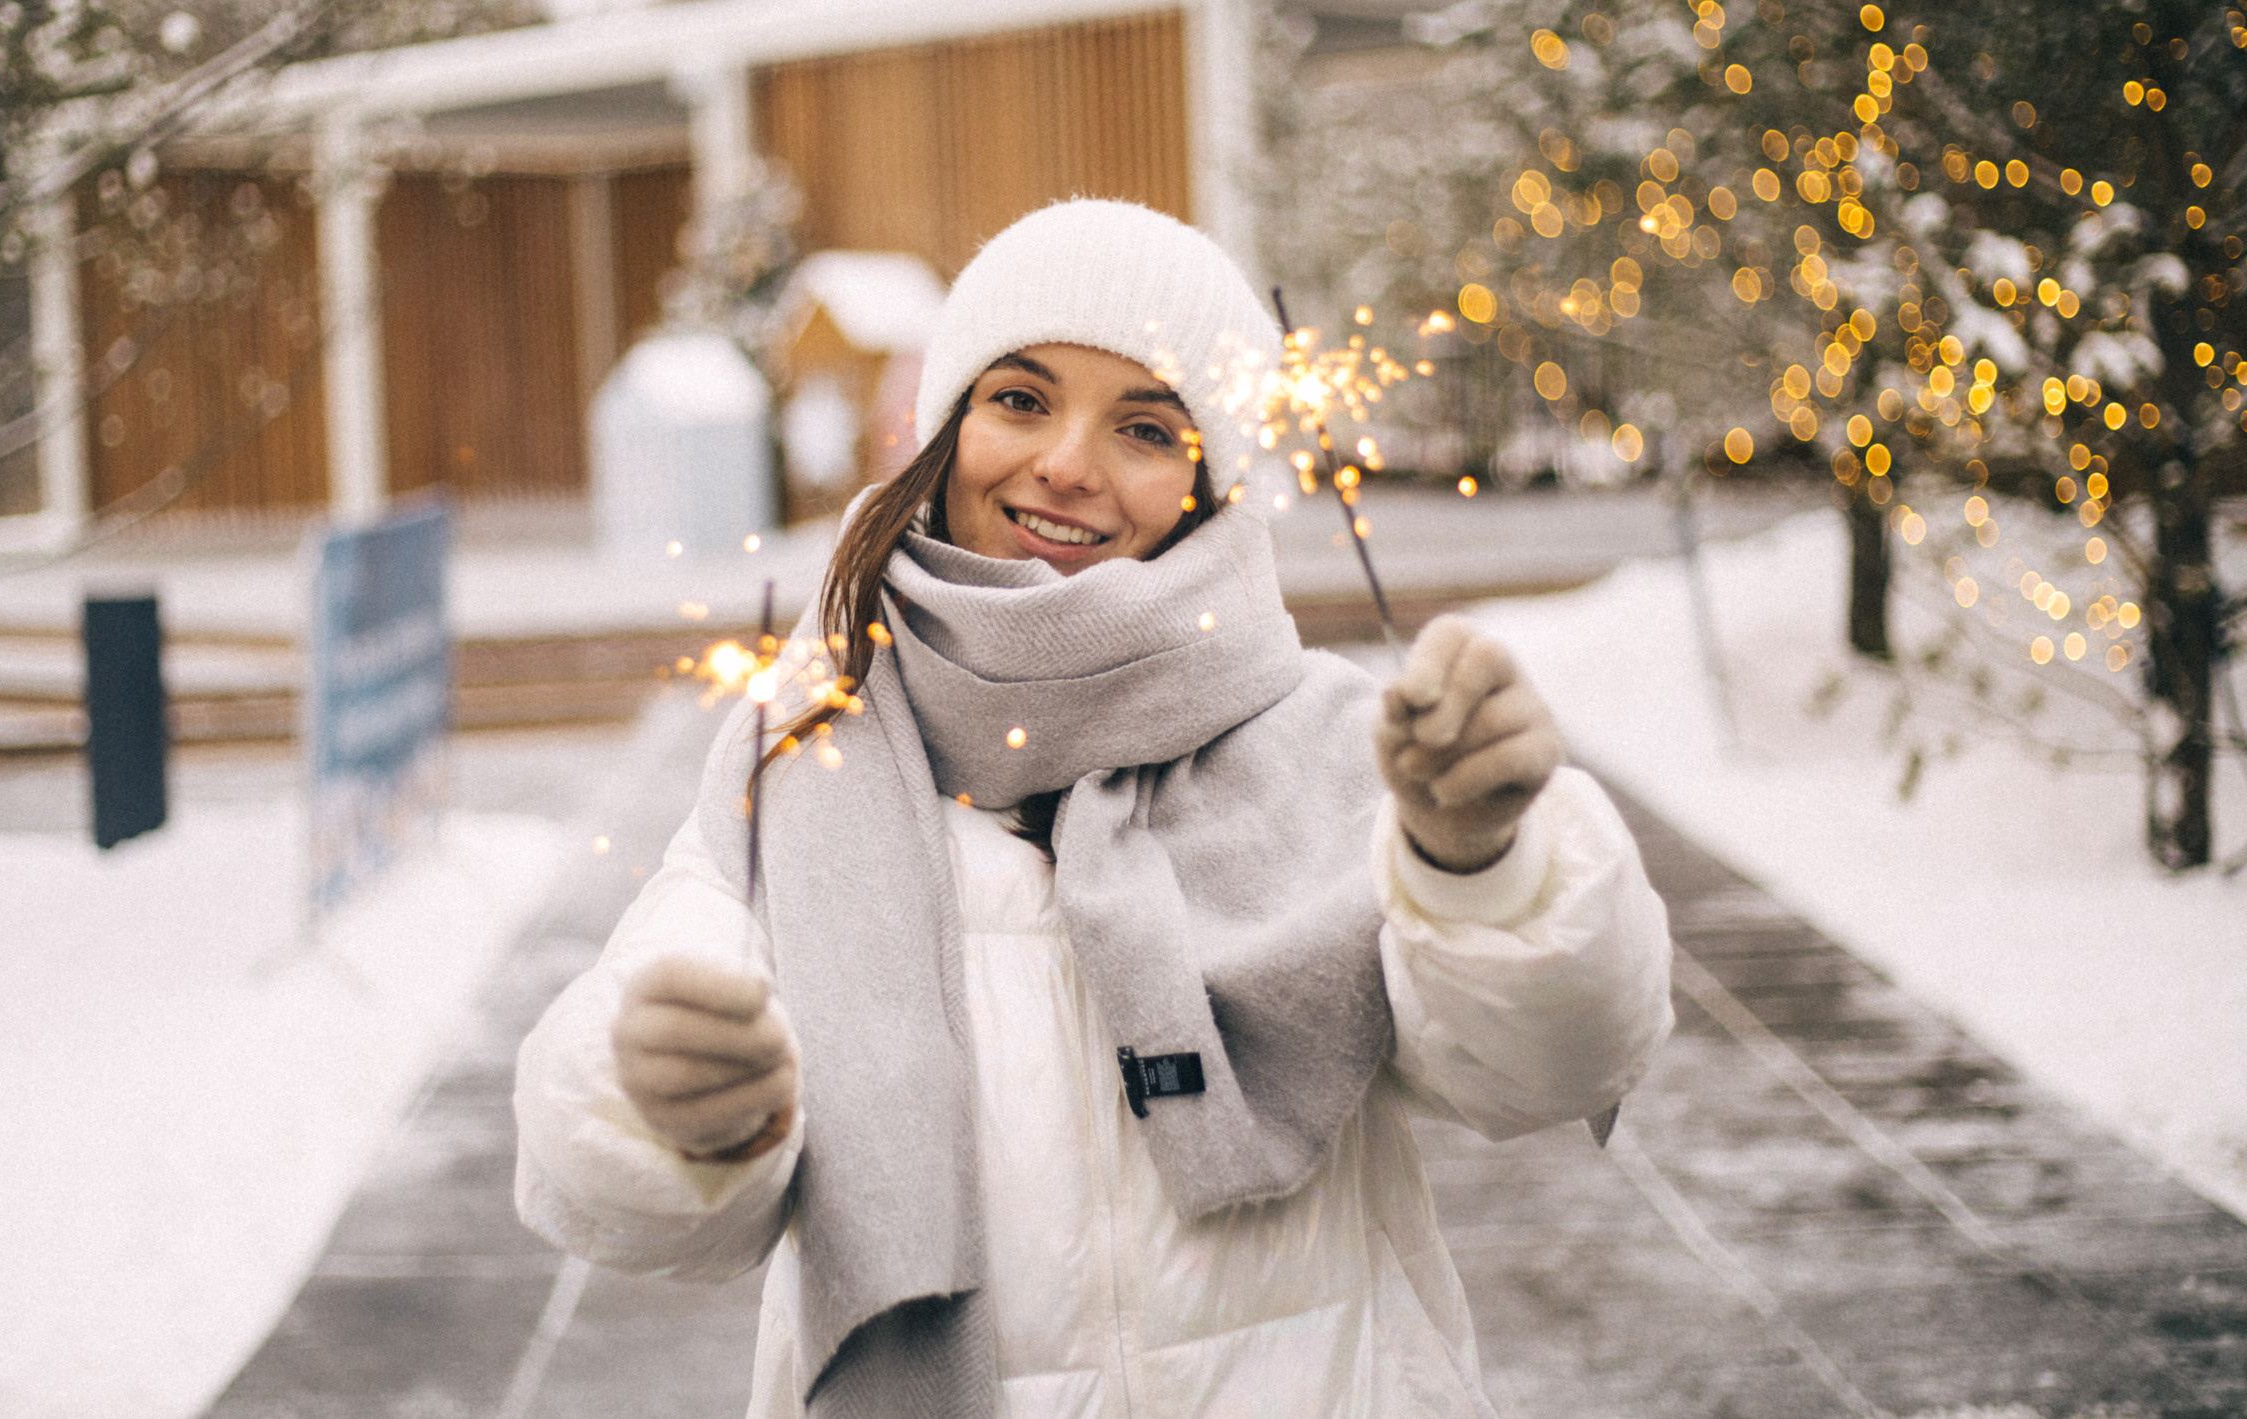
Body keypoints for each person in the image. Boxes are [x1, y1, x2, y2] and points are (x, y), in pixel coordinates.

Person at [514, 199, 1673, 1418]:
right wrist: (665, 1108)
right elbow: (615, 1178)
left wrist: (1487, 866)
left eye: (1145, 427)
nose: (1067, 462)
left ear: (1210, 480)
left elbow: (1546, 1071)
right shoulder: (809, 753)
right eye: (1020, 400)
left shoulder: (1334, 744)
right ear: (945, 425)